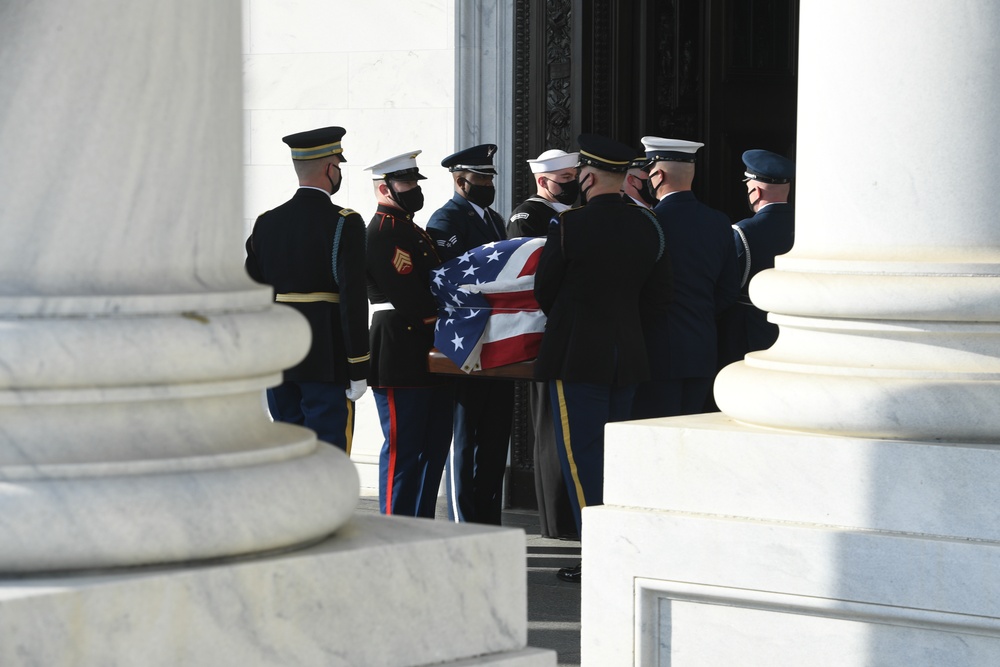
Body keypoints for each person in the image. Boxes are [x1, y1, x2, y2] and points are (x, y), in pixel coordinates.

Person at [534, 134, 671, 582]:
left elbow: (545, 291)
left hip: (579, 356)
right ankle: (623, 545)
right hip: (628, 354)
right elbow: (652, 293)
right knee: (616, 455)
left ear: (588, 176)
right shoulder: (648, 226)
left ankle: (600, 551)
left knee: (583, 456)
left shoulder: (570, 225)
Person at [245, 126, 369, 452]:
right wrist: (358, 365)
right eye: (338, 166)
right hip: (325, 355)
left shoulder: (266, 222)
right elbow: (352, 299)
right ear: (330, 169)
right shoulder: (345, 221)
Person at [427, 144, 514, 525]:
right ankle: (464, 518)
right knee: (465, 436)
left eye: (491, 177)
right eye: (481, 178)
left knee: (495, 435)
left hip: (498, 338)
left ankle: (488, 518)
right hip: (466, 340)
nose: (488, 183)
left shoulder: (494, 219)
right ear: (461, 181)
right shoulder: (445, 221)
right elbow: (454, 277)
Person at [364, 151, 453, 518]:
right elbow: (408, 296)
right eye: (406, 183)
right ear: (385, 188)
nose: (414, 189)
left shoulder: (409, 228)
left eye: (416, 182)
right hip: (400, 346)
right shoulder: (384, 231)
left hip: (428, 346)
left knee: (432, 447)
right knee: (404, 447)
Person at [631, 136, 738, 420]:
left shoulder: (649, 221)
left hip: (656, 352)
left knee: (653, 442)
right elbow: (727, 290)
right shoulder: (719, 222)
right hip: (702, 349)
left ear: (658, 175)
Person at [506, 148, 581, 540]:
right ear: (543, 180)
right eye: (565, 178)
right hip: (543, 332)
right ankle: (556, 522)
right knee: (552, 428)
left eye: (574, 176)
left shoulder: (569, 215)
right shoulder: (529, 216)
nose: (573, 184)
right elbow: (531, 275)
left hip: (568, 332)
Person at [718, 149, 796, 366]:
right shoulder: (806, 228)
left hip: (748, 326)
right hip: (794, 324)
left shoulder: (744, 230)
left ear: (756, 191)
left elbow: (731, 285)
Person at [506, 149, 579, 237]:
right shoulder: (527, 215)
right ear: (543, 182)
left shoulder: (574, 213)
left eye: (575, 177)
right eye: (566, 177)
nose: (573, 181)